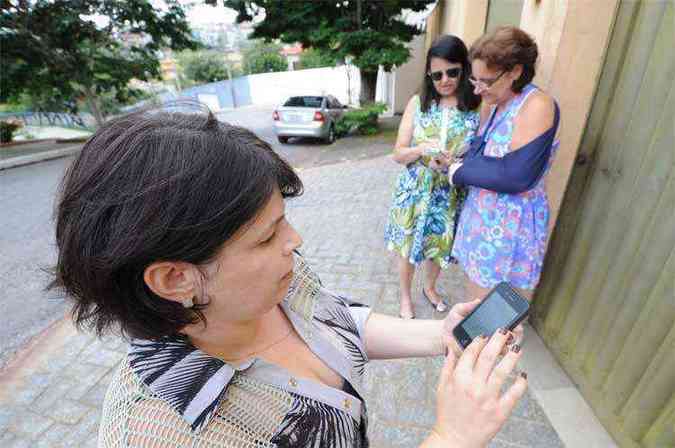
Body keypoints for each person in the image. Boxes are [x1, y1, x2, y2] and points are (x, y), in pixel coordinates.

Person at [50, 107, 527, 447]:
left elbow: (339, 323)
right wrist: (453, 436)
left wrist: (442, 336)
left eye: (284, 220)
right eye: (265, 236)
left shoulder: (273, 279)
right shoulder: (168, 432)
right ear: (176, 279)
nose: (294, 241)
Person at [446, 26, 560, 326]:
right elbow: (482, 155)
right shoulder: (496, 103)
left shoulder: (536, 105)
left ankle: (485, 359)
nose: (477, 89)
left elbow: (517, 176)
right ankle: (474, 352)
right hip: (482, 217)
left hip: (510, 226)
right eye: (474, 79)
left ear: (515, 71)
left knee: (494, 314)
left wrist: (460, 172)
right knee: (476, 304)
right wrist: (456, 161)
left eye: (485, 81)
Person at [385, 35, 481, 320]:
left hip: (448, 191)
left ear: (464, 69)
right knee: (407, 246)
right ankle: (405, 297)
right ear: (429, 75)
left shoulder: (475, 108)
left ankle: (429, 287)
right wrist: (420, 149)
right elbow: (398, 154)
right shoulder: (419, 103)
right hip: (415, 190)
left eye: (452, 72)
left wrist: (458, 161)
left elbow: (480, 152)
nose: (445, 80)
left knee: (438, 246)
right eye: (437, 75)